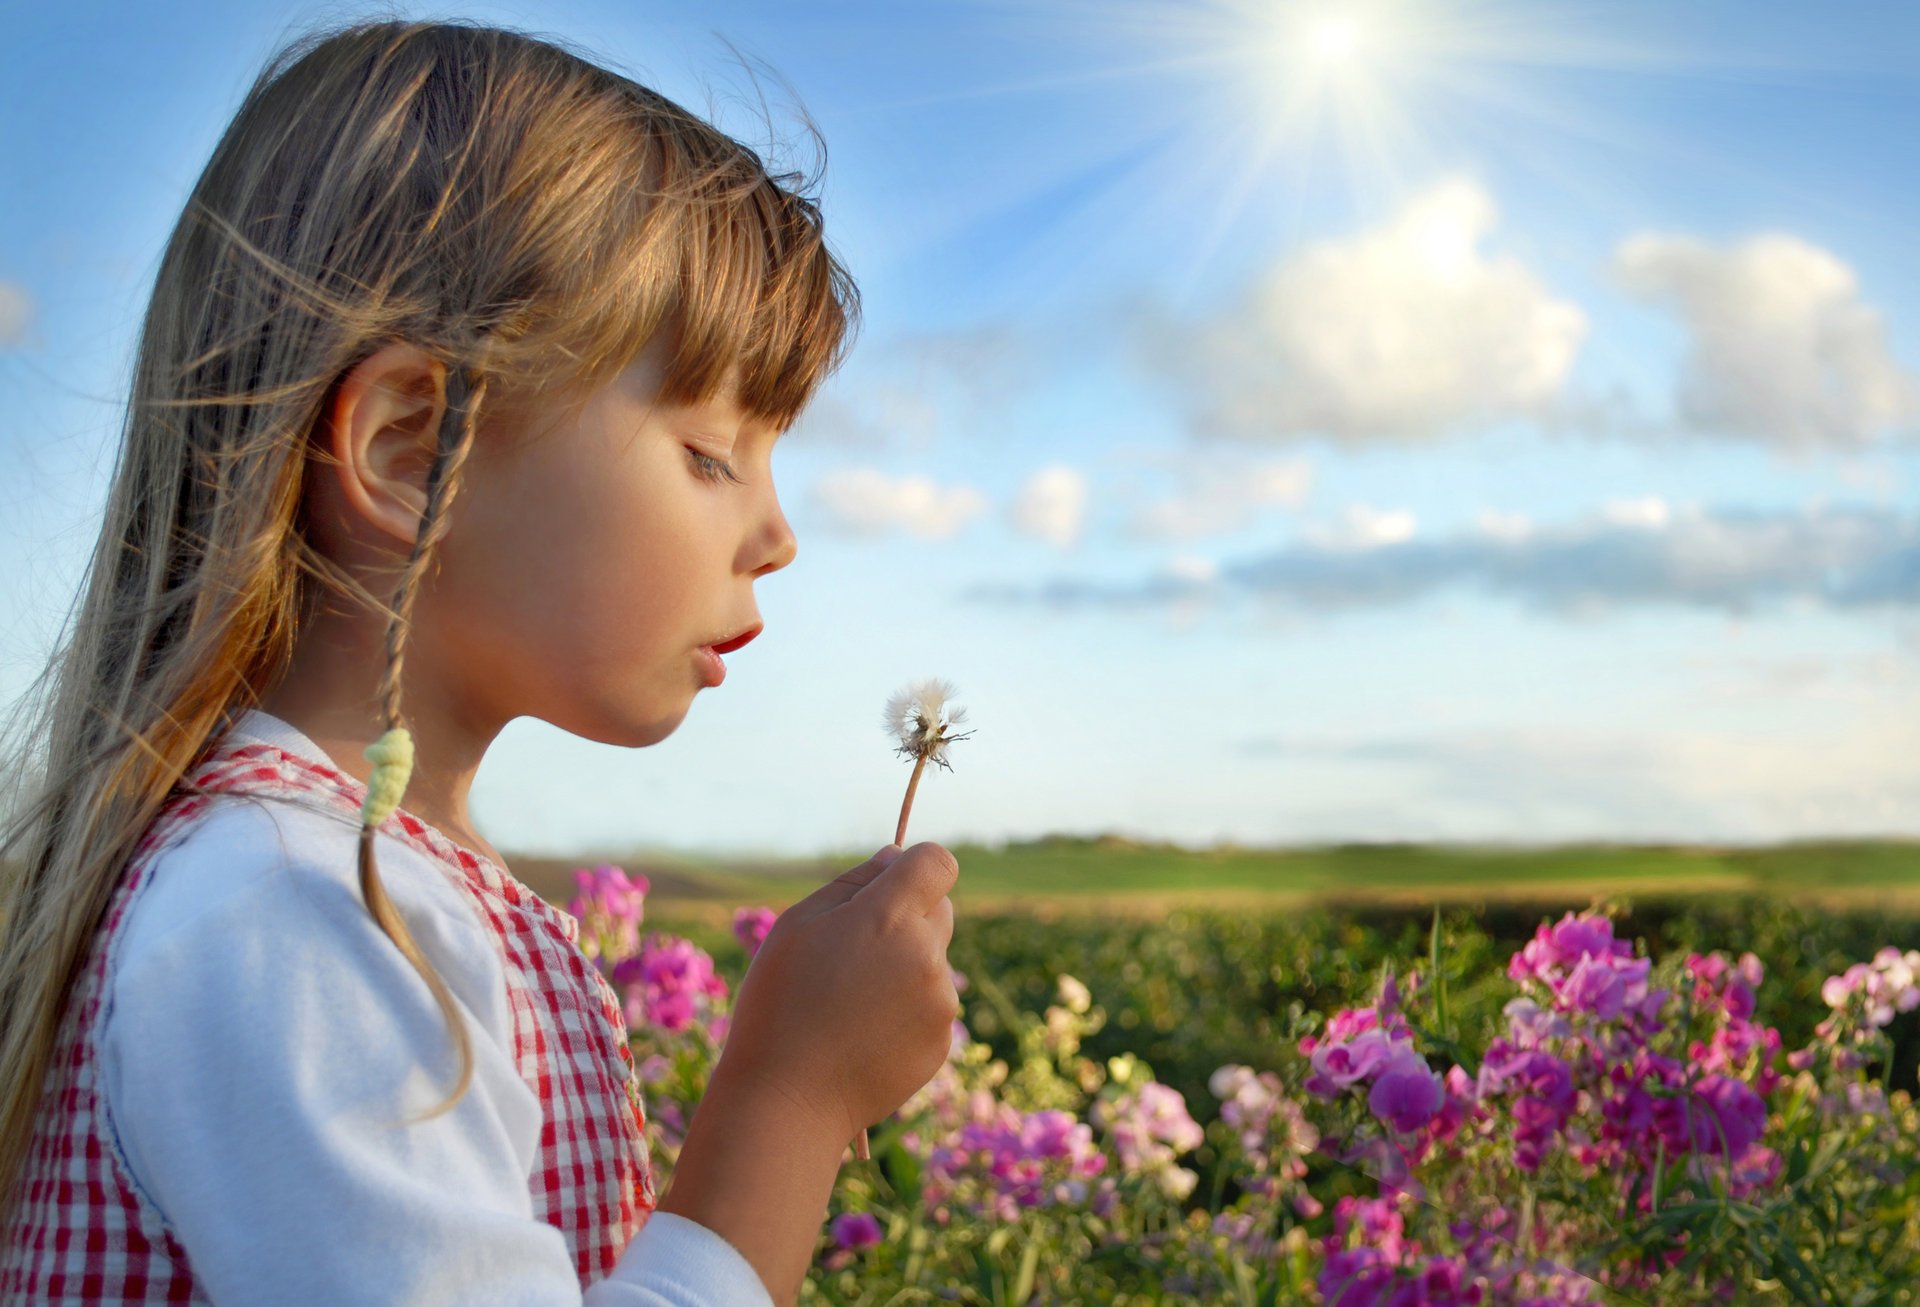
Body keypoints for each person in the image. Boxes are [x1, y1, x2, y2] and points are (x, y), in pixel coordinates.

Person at [0, 17, 961, 1307]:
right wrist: (786, 1101)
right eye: (709, 451)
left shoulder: (355, 890)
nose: (777, 538)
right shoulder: (293, 914)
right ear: (411, 450)